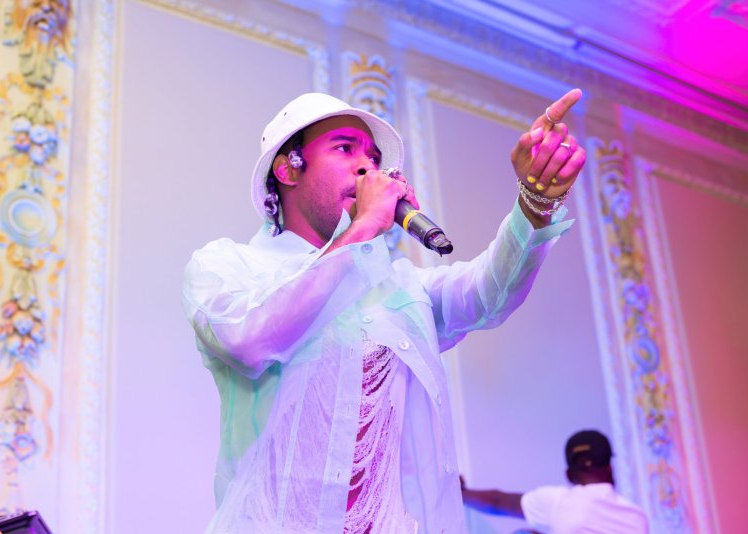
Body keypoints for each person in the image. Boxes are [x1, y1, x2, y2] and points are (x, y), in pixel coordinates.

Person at [182, 90, 586, 533]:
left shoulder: (399, 288)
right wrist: (362, 228)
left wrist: (535, 202)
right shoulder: (228, 266)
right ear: (288, 167)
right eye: (344, 148)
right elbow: (251, 338)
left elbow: (489, 293)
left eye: (374, 158)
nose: (367, 167)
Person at [461, 429, 649, 533]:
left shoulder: (558, 501)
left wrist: (461, 493)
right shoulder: (637, 518)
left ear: (569, 475)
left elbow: (497, 502)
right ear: (609, 469)